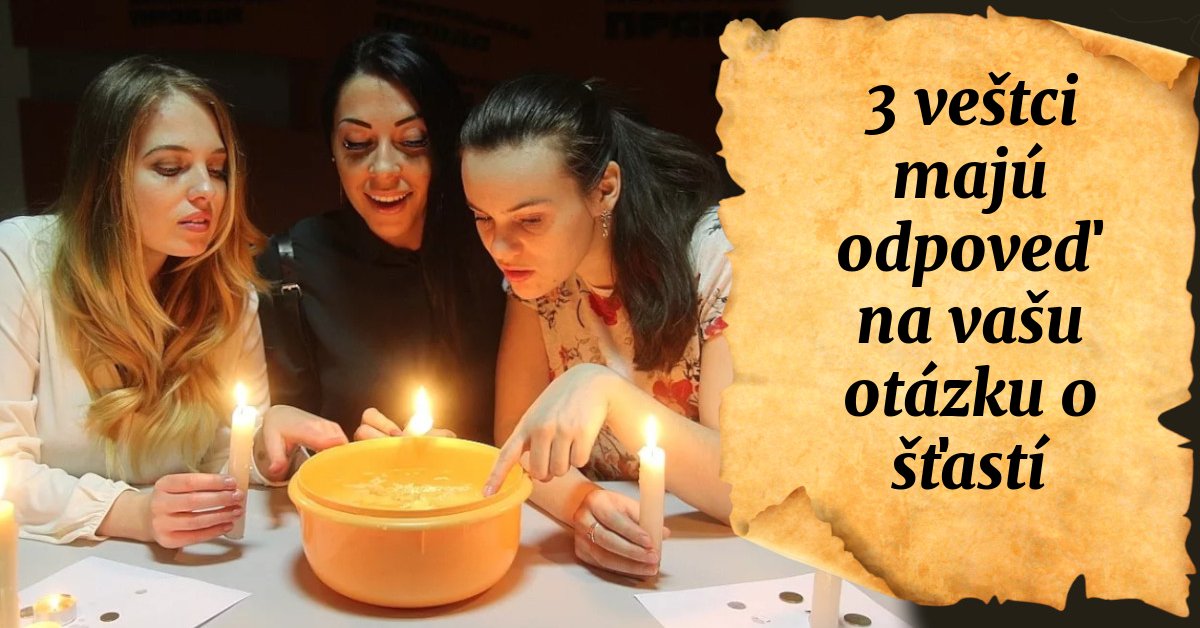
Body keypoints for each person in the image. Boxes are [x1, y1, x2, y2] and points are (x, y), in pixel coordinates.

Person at [0, 57, 346, 548]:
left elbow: (220, 461)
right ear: (106, 177)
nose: (206, 191)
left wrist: (268, 445)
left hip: (176, 575)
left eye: (217, 170)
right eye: (170, 168)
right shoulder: (19, 260)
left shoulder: (228, 293)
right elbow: (4, 466)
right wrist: (130, 512)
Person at [461, 75, 734, 577]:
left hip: (724, 567)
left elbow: (745, 487)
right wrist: (581, 504)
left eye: (530, 220)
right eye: (482, 217)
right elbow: (513, 439)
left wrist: (603, 389)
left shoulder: (719, 258)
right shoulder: (535, 277)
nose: (499, 248)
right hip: (609, 577)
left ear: (604, 189)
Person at [257, 32, 503, 443]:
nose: (384, 169)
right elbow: (280, 443)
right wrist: (349, 456)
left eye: (413, 141)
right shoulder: (291, 265)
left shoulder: (499, 249)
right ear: (332, 149)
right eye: (357, 144)